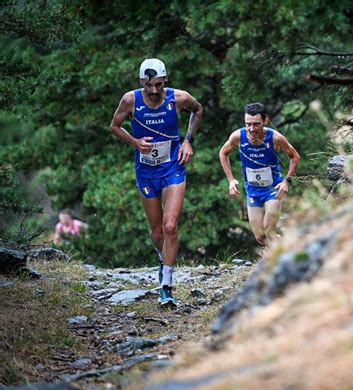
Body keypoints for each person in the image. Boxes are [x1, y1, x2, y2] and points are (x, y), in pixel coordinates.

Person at [110, 58, 203, 307]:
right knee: (157, 231)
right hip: (147, 171)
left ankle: (166, 285)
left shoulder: (179, 98)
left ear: (166, 81)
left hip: (173, 167)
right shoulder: (130, 100)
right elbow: (115, 126)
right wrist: (134, 143)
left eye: (159, 85)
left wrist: (188, 140)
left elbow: (198, 109)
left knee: (170, 226)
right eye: (149, 85)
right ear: (141, 82)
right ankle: (164, 259)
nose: (154, 91)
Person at [219, 102, 300, 246]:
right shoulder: (238, 136)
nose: (251, 128)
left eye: (256, 124)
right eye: (248, 124)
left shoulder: (275, 138)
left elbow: (295, 157)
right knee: (260, 237)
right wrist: (231, 180)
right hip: (253, 190)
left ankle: (278, 263)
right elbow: (223, 153)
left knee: (269, 230)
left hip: (273, 189)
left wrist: (287, 181)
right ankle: (290, 248)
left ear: (265, 121)